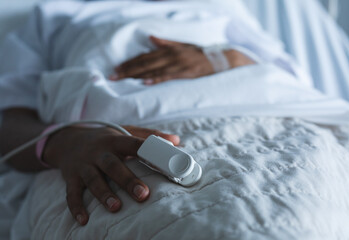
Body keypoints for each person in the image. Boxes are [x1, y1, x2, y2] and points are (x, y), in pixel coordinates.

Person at [0, 0, 263, 226]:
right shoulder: (51, 17)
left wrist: (224, 58)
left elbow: (292, 76)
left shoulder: (218, 6)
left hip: (263, 109)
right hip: (107, 141)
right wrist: (64, 142)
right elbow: (10, 125)